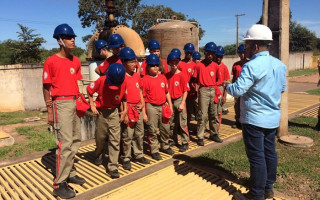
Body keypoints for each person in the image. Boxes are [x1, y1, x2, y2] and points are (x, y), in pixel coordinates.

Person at [226, 24, 287, 200]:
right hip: (272, 119)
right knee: (270, 153)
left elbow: (237, 90)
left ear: (254, 46)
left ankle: (256, 194)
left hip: (254, 120)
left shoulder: (251, 66)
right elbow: (282, 88)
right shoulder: (279, 65)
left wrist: (226, 86)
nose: (244, 48)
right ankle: (268, 188)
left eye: (246, 44)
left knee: (257, 157)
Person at [42, 23, 86, 199]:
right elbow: (46, 88)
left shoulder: (75, 61)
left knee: (75, 140)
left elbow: (78, 83)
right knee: (65, 144)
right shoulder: (50, 61)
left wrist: (82, 100)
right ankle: (59, 184)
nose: (72, 39)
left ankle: (71, 172)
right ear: (60, 40)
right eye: (68, 37)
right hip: (61, 104)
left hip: (75, 102)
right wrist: (50, 111)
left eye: (73, 37)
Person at [87, 63, 127, 179]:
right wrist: (92, 105)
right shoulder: (101, 80)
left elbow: (124, 98)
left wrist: (125, 111)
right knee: (100, 137)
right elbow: (89, 91)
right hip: (101, 112)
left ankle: (113, 167)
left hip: (114, 112)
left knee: (115, 139)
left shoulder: (123, 82)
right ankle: (98, 153)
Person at [119, 47, 150, 170]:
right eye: (131, 62)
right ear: (124, 63)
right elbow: (121, 98)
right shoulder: (121, 77)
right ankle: (126, 158)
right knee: (127, 135)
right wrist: (124, 113)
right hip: (128, 109)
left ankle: (139, 154)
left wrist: (142, 106)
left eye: (134, 61)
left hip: (138, 108)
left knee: (139, 133)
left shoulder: (137, 76)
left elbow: (140, 92)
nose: (134, 64)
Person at [141, 54, 174, 160]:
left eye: (157, 65)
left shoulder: (162, 78)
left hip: (163, 106)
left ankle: (165, 145)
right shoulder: (145, 79)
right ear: (148, 67)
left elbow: (167, 92)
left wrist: (170, 105)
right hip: (151, 106)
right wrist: (144, 113)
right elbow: (143, 97)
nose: (155, 68)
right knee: (153, 130)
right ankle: (154, 150)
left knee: (165, 127)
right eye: (152, 66)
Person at [192, 42, 223, 146]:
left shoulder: (215, 66)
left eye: (212, 54)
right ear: (205, 53)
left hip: (213, 90)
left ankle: (214, 133)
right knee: (203, 115)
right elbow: (193, 79)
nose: (210, 56)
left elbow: (218, 79)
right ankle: (200, 136)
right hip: (203, 90)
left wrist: (216, 89)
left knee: (214, 113)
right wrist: (197, 89)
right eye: (208, 53)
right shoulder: (199, 65)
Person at [166, 52, 190, 152]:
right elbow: (165, 91)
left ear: (178, 62)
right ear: (169, 63)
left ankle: (185, 142)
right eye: (172, 62)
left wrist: (182, 103)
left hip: (179, 100)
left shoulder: (182, 75)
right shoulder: (166, 76)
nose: (174, 64)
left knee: (182, 122)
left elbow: (185, 90)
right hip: (170, 101)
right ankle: (172, 139)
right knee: (171, 123)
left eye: (176, 62)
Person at [180, 43, 198, 133]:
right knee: (182, 112)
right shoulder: (180, 64)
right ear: (185, 52)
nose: (189, 54)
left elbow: (195, 80)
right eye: (188, 52)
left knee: (190, 111)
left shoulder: (194, 65)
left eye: (191, 53)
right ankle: (182, 128)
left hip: (191, 92)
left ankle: (187, 127)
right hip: (182, 92)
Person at [231, 44, 249, 129]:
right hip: (238, 88)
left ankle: (246, 121)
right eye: (240, 53)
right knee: (237, 105)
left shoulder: (250, 64)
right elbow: (234, 77)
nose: (242, 55)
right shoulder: (236, 65)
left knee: (246, 105)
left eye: (243, 53)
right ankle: (238, 120)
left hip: (247, 88)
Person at [215, 46, 230, 129]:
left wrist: (224, 96)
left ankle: (217, 129)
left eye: (220, 57)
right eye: (217, 56)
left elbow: (227, 83)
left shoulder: (224, 67)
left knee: (219, 111)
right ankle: (212, 127)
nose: (218, 58)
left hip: (220, 89)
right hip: (212, 88)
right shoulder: (212, 65)